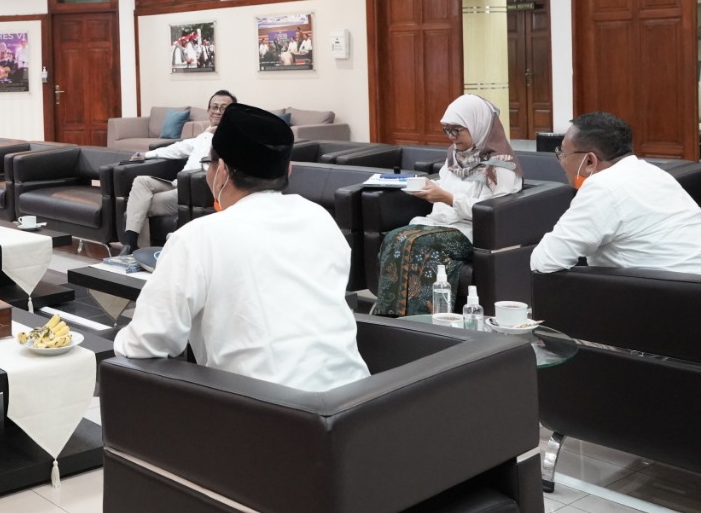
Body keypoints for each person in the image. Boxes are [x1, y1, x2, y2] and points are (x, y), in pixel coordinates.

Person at [114, 103, 369, 390]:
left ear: (220, 170)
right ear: (289, 169)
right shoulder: (320, 218)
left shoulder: (198, 236)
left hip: (267, 412)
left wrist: (117, 339)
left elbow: (147, 342)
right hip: (355, 400)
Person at [372, 94, 523, 316]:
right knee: (396, 236)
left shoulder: (500, 166)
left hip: (469, 232)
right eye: (447, 130)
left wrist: (447, 198)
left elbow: (494, 212)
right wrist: (429, 186)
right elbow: (448, 182)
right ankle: (390, 315)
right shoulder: (456, 155)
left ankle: (423, 318)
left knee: (422, 245)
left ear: (477, 124)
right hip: (440, 223)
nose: (452, 137)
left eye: (457, 130)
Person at [531, 112, 701, 274]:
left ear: (590, 160)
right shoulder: (654, 173)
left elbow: (546, 261)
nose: (561, 160)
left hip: (667, 295)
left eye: (562, 153)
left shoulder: (602, 187)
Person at [117, 90, 236, 254]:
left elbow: (212, 169)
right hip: (177, 185)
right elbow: (177, 149)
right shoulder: (204, 135)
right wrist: (146, 154)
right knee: (141, 182)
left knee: (137, 205)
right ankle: (133, 246)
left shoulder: (232, 136)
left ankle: (135, 250)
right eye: (214, 107)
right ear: (208, 111)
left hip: (193, 190)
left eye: (224, 108)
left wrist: (213, 136)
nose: (218, 111)